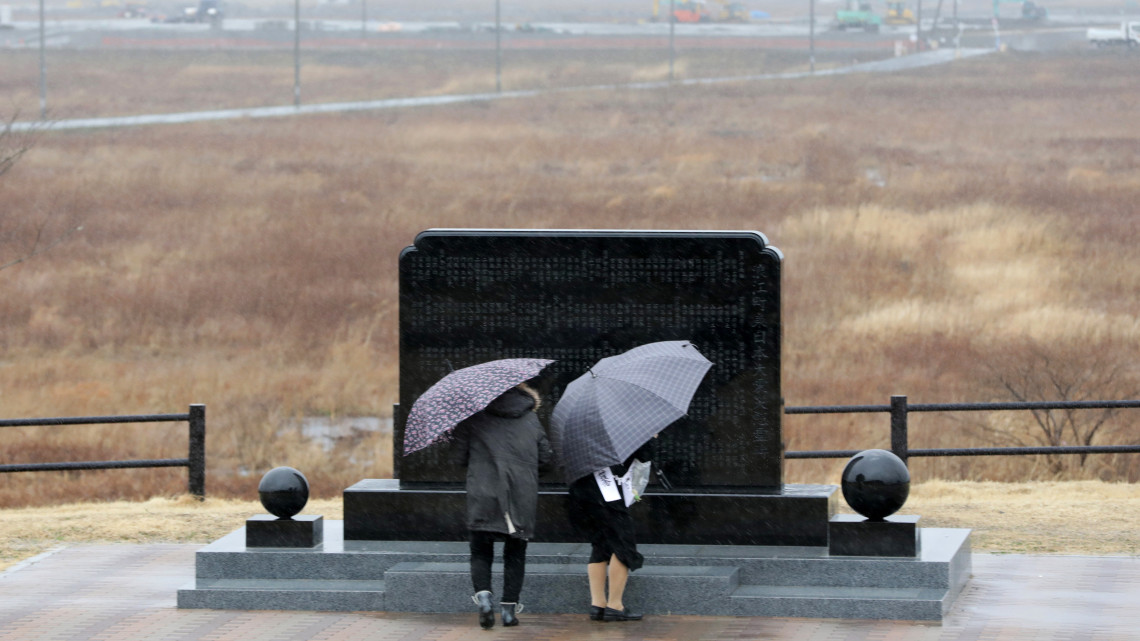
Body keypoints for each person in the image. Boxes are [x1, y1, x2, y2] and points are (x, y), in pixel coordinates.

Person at [451, 383, 553, 629]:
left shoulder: (473, 419)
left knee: (480, 551)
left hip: (484, 493)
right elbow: (546, 459)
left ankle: (484, 598)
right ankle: (509, 610)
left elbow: (457, 458)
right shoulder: (530, 420)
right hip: (521, 495)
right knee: (515, 554)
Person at [566, 441, 654, 623]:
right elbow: (643, 456)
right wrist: (650, 439)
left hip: (582, 491)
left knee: (601, 544)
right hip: (608, 494)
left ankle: (597, 605)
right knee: (623, 546)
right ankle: (615, 606)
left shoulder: (583, 429)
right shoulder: (625, 429)